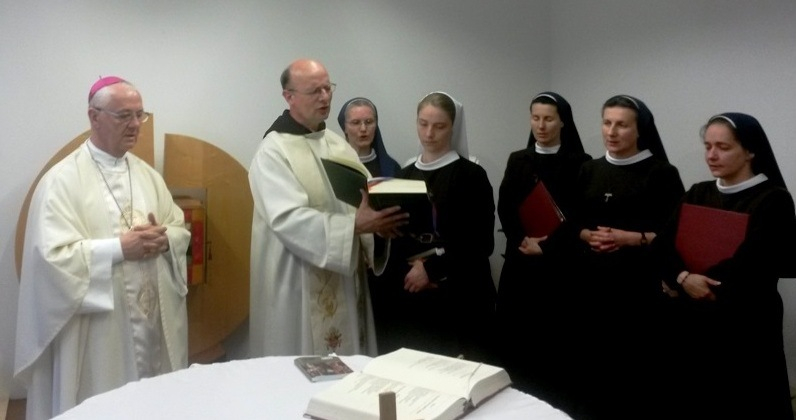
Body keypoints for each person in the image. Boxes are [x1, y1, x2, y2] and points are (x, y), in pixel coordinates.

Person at [14, 76, 191, 420]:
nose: (135, 124)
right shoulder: (62, 181)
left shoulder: (148, 176)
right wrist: (119, 249)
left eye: (140, 115)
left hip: (151, 321)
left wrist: (165, 239)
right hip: (100, 333)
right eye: (124, 115)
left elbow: (176, 226)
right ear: (94, 117)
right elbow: (51, 259)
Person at [248, 59, 406, 357]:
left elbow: (366, 199)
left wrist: (380, 222)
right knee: (301, 363)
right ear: (289, 96)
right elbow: (287, 219)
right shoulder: (273, 152)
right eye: (314, 91)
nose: (325, 97)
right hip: (298, 284)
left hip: (345, 278)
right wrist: (354, 226)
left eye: (327, 88)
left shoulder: (337, 144)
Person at [652, 113, 796, 420]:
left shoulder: (774, 199)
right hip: (693, 320)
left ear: (750, 151)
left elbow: (753, 264)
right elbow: (662, 246)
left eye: (723, 147)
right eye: (708, 146)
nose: (711, 155)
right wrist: (684, 277)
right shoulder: (698, 192)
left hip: (745, 324)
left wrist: (688, 284)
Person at [573, 95, 684, 418]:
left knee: (636, 376)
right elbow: (571, 222)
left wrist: (630, 238)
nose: (612, 131)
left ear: (639, 130)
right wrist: (586, 234)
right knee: (593, 373)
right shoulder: (589, 170)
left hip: (639, 290)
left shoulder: (661, 173)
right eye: (607, 123)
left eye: (621, 125)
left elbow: (675, 234)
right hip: (591, 287)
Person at [375, 91, 497, 363]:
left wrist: (431, 270)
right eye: (423, 124)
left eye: (439, 126)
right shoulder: (404, 175)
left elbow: (480, 242)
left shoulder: (471, 176)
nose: (429, 133)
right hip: (413, 291)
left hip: (459, 294)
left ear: (452, 127)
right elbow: (399, 232)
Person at [495, 92, 591, 415]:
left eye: (548, 118)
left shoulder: (581, 163)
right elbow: (505, 206)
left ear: (563, 121)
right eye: (535, 118)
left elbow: (580, 215)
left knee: (556, 348)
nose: (541, 125)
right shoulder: (518, 160)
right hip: (521, 263)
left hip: (560, 268)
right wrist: (521, 238)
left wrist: (547, 245)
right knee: (518, 344)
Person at [336, 97, 401, 177]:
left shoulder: (392, 168)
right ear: (344, 127)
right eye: (356, 122)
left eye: (369, 122)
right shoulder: (334, 165)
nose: (363, 129)